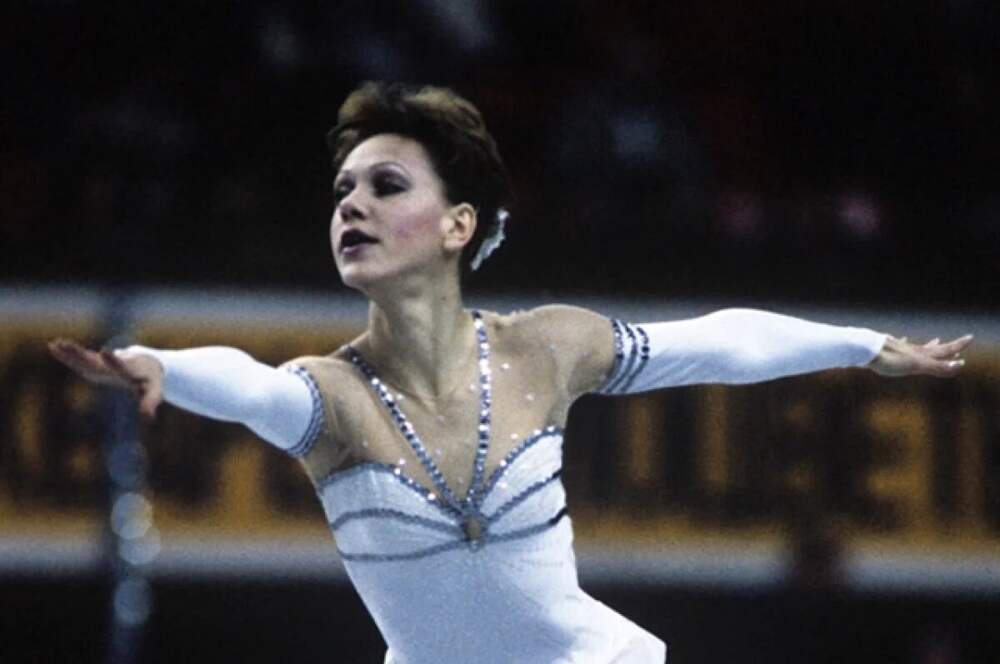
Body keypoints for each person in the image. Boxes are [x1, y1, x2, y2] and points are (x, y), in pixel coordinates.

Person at [50, 82, 972, 664]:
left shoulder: (543, 348)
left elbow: (715, 343)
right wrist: (156, 362)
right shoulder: (332, 399)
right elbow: (247, 383)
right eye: (342, 192)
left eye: (386, 185)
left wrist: (861, 344)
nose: (352, 206)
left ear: (459, 225)